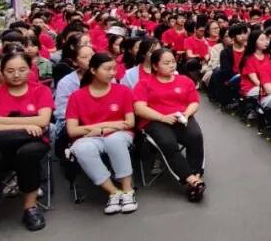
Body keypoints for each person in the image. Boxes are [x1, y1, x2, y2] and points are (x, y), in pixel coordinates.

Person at [0, 51, 53, 240]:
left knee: (28, 154)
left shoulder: (41, 91)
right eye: (10, 70)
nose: (16, 75)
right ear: (2, 72)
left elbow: (43, 120)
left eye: (22, 70)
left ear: (30, 70)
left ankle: (30, 208)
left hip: (32, 142)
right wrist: (25, 123)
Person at [65, 53, 138, 214]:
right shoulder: (77, 96)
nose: (112, 73)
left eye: (114, 69)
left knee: (114, 141)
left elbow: (129, 123)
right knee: (82, 149)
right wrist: (106, 126)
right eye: (107, 69)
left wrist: (103, 130)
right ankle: (113, 192)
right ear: (93, 70)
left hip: (119, 134)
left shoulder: (123, 91)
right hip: (91, 137)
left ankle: (127, 190)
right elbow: (72, 130)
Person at [133, 48, 206, 202]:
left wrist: (186, 114)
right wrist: (162, 117)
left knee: (195, 136)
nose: (172, 65)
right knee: (168, 142)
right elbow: (139, 108)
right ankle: (191, 180)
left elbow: (194, 102)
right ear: (155, 66)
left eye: (173, 61)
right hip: (155, 120)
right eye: (166, 63)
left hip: (181, 118)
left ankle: (196, 175)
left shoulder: (185, 81)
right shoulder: (144, 83)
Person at [53, 45, 95, 137]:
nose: (90, 59)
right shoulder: (66, 82)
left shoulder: (107, 78)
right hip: (73, 122)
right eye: (84, 57)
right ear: (75, 62)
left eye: (92, 55)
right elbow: (61, 111)